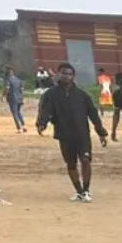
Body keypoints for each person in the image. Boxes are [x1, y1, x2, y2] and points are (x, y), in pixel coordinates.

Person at [35, 62, 108, 201]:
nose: (66, 76)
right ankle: (79, 191)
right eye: (63, 73)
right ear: (58, 75)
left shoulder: (82, 95)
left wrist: (101, 132)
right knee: (71, 164)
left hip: (82, 134)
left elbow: (93, 114)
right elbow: (45, 110)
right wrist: (41, 123)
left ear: (73, 76)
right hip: (64, 134)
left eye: (69, 74)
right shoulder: (51, 94)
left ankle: (86, 190)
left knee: (85, 160)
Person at [1, 69, 25, 133]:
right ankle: (24, 126)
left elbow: (7, 88)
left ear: (8, 74)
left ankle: (19, 128)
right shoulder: (18, 80)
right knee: (18, 112)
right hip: (19, 98)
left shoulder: (8, 80)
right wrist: (22, 98)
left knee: (15, 113)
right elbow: (22, 90)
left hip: (12, 98)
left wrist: (3, 96)